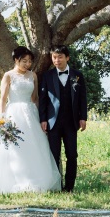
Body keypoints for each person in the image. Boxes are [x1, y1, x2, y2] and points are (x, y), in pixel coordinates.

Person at [0, 46, 62, 193]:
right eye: (24, 61)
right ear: (16, 60)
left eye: (29, 61)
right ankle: (14, 181)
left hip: (31, 113)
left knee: (35, 145)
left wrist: (41, 117)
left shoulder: (33, 76)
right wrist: (2, 118)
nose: (27, 64)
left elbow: (35, 98)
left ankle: (36, 180)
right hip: (13, 113)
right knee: (15, 147)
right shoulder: (8, 75)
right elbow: (2, 99)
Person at [38, 45, 88, 192]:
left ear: (67, 57)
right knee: (53, 156)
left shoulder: (77, 75)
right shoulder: (47, 76)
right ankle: (56, 186)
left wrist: (83, 117)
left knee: (72, 155)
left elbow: (82, 98)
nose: (56, 60)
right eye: (54, 57)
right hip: (53, 122)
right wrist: (43, 119)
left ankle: (69, 187)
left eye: (60, 57)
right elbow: (43, 100)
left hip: (72, 122)